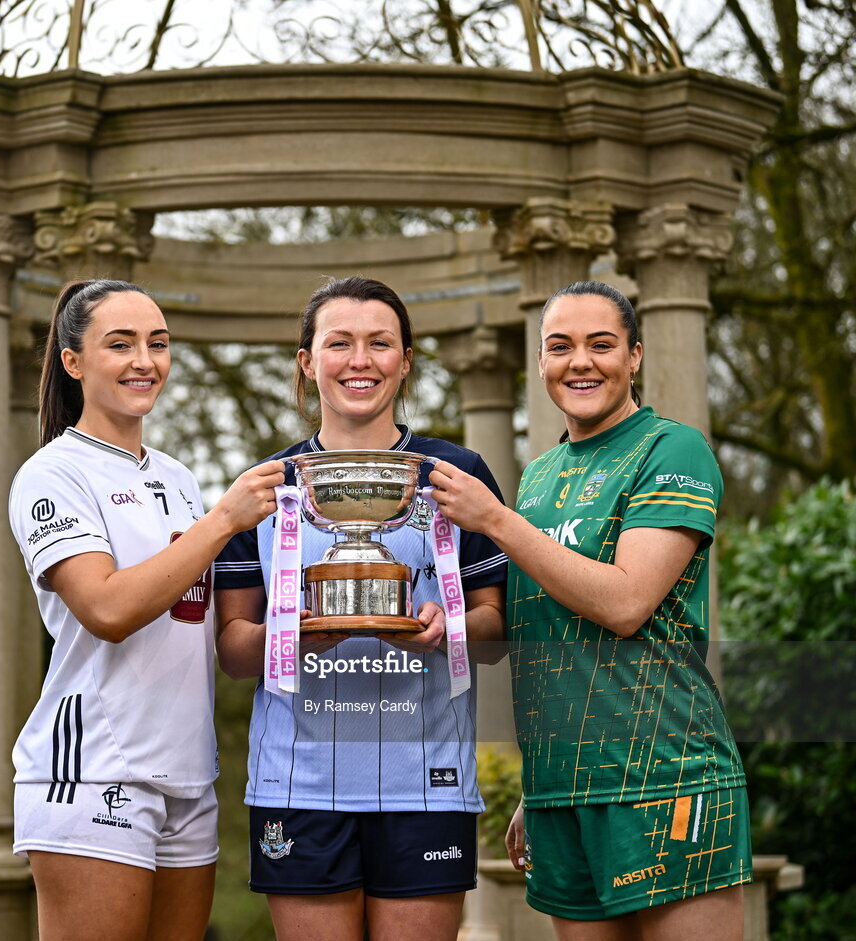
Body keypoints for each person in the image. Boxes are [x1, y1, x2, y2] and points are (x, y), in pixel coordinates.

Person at [429, 280, 751, 940]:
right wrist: (544, 786)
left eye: (601, 344)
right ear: (540, 362)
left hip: (665, 777)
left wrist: (496, 520)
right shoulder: (539, 474)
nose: (580, 361)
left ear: (635, 355)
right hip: (562, 792)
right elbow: (546, 634)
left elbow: (627, 602)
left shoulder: (671, 448)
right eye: (560, 346)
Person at [214, 276, 507, 941]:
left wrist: (449, 629)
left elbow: (496, 629)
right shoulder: (262, 488)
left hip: (428, 782)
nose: (360, 360)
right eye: (339, 342)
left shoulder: (457, 474)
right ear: (307, 361)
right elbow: (232, 651)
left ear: (406, 361)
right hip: (298, 786)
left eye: (380, 343)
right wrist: (289, 637)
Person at [8, 279, 284, 941]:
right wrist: (223, 521)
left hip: (189, 774)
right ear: (73, 362)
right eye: (120, 344)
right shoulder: (53, 473)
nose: (144, 360)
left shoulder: (179, 478)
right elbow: (106, 608)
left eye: (157, 343)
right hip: (93, 770)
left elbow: (207, 629)